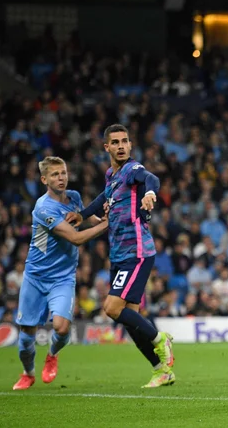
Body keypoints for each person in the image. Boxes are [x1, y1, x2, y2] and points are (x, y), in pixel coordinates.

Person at [70, 124, 175, 388]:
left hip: (136, 252)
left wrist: (150, 193)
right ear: (106, 147)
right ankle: (160, 370)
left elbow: (150, 178)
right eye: (115, 142)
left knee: (111, 308)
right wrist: (82, 215)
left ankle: (159, 338)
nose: (120, 146)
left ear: (130, 145)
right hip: (119, 255)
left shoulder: (132, 169)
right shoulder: (111, 175)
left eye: (124, 141)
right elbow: (101, 199)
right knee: (128, 317)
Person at [13, 157, 109, 390]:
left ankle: (52, 354)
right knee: (26, 337)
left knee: (62, 327)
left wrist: (102, 216)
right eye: (55, 175)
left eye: (63, 173)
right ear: (44, 179)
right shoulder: (43, 208)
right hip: (35, 277)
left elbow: (85, 218)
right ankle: (28, 373)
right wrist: (109, 224)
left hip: (63, 277)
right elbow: (76, 238)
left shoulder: (74, 197)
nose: (61, 178)